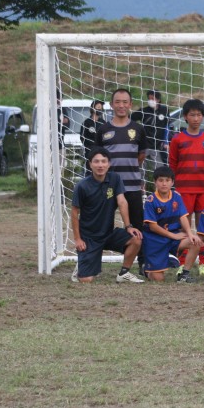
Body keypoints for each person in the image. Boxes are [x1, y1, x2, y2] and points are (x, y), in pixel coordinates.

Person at [70, 147, 144, 284]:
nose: (100, 165)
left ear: (109, 164)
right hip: (89, 238)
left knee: (136, 239)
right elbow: (74, 213)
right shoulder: (82, 186)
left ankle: (124, 273)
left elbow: (122, 201)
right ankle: (82, 264)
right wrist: (78, 239)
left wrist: (128, 226)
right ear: (90, 164)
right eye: (96, 161)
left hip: (108, 233)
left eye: (103, 161)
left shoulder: (115, 179)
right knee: (86, 280)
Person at [96, 88, 148, 274]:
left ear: (130, 105)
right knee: (103, 223)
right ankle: (94, 261)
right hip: (109, 186)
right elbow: (99, 157)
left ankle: (143, 263)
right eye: (117, 102)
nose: (121, 105)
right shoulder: (103, 129)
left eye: (125, 102)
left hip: (132, 185)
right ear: (111, 105)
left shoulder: (138, 129)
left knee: (138, 224)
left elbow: (140, 155)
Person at [167, 98, 204, 275]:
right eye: (192, 115)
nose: (196, 118)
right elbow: (172, 164)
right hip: (183, 190)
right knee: (183, 228)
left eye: (199, 115)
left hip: (203, 189)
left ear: (203, 117)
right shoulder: (177, 139)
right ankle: (182, 262)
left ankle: (203, 261)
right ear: (186, 117)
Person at [141, 166, 201, 282]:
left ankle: (184, 275)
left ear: (172, 182)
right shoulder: (150, 201)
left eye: (167, 180)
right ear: (155, 182)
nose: (164, 184)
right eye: (161, 180)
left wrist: (190, 234)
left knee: (196, 242)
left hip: (173, 238)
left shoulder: (176, 196)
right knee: (159, 279)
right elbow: (153, 227)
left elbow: (183, 216)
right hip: (155, 241)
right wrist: (173, 236)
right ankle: (147, 270)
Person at [133, 89, 169, 175]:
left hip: (157, 145)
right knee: (141, 170)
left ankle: (158, 187)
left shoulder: (164, 110)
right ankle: (141, 186)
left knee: (159, 170)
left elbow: (166, 126)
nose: (151, 101)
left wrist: (166, 141)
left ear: (158, 99)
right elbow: (131, 118)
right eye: (149, 99)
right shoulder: (143, 111)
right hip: (144, 145)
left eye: (153, 98)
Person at [79, 99, 105, 176]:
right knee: (90, 173)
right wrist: (90, 147)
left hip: (101, 152)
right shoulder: (86, 122)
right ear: (92, 108)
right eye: (98, 107)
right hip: (90, 153)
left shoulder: (103, 123)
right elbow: (82, 137)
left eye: (101, 108)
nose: (99, 109)